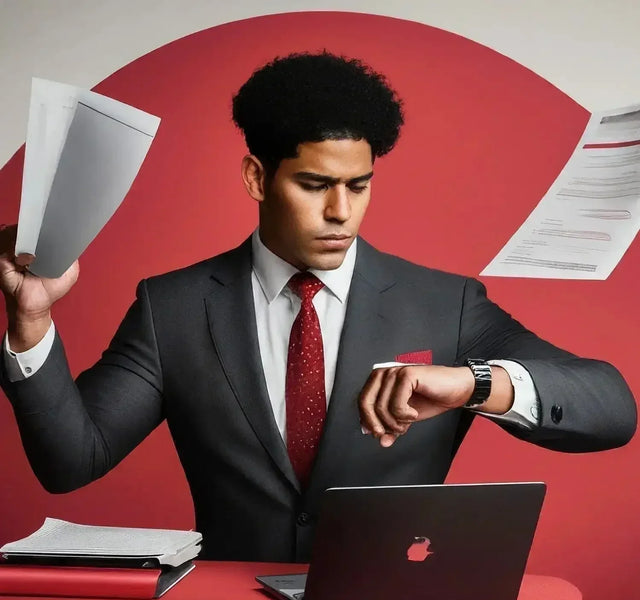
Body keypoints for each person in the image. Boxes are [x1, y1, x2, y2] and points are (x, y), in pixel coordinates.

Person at [0, 53, 636, 562]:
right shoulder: (172, 307)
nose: (341, 212)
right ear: (257, 178)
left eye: (358, 187)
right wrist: (31, 321)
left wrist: (476, 383)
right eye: (314, 185)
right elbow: (71, 461)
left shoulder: (448, 304)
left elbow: (610, 407)